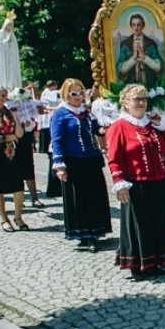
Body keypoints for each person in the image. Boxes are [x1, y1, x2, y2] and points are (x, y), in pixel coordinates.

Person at [106, 84, 165, 279]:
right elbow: (114, 157)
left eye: (144, 99)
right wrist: (118, 180)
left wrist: (162, 126)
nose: (141, 102)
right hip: (135, 183)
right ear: (125, 102)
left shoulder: (150, 124)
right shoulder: (118, 127)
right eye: (136, 99)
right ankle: (139, 265)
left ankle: (157, 261)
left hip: (159, 181)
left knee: (159, 224)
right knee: (140, 224)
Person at [51, 78, 112, 252]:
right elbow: (57, 140)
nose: (78, 96)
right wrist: (60, 165)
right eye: (73, 93)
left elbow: (95, 128)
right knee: (81, 198)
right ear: (65, 94)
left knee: (95, 196)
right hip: (74, 161)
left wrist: (107, 128)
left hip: (91, 159)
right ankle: (85, 235)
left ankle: (97, 230)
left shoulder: (85, 111)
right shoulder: (60, 113)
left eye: (80, 92)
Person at [0, 84, 27, 232]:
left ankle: (18, 216)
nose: (1, 98)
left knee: (18, 186)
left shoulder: (8, 112)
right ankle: (4, 218)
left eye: (3, 95)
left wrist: (15, 116)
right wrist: (12, 136)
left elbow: (20, 134)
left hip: (11, 152)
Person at [117, 14, 164, 85]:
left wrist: (144, 57)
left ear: (143, 26)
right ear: (131, 26)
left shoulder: (150, 44)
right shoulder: (125, 45)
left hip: (150, 86)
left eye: (138, 25)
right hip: (131, 88)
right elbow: (121, 70)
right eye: (134, 25)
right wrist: (134, 58)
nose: (136, 28)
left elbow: (159, 67)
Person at [0, 16, 22, 90]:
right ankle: (4, 87)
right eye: (9, 24)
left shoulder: (12, 34)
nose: (10, 26)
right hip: (4, 57)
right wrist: (7, 41)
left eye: (11, 25)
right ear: (5, 25)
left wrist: (11, 43)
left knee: (12, 72)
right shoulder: (0, 33)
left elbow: (15, 46)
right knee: (5, 71)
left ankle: (13, 86)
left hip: (11, 56)